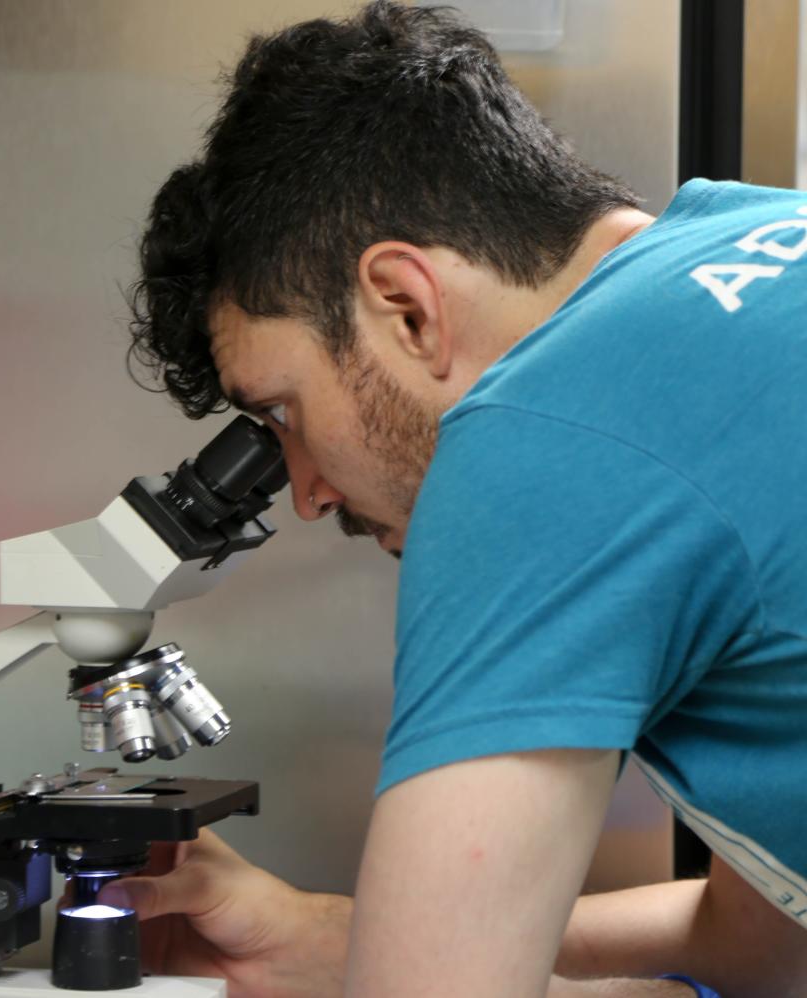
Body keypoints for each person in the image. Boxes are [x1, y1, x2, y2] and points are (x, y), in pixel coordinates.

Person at [102, 3, 807, 995]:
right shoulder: (759, 231)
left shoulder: (542, 431)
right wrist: (343, 938)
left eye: (286, 412)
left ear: (405, 306)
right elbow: (764, 941)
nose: (302, 491)